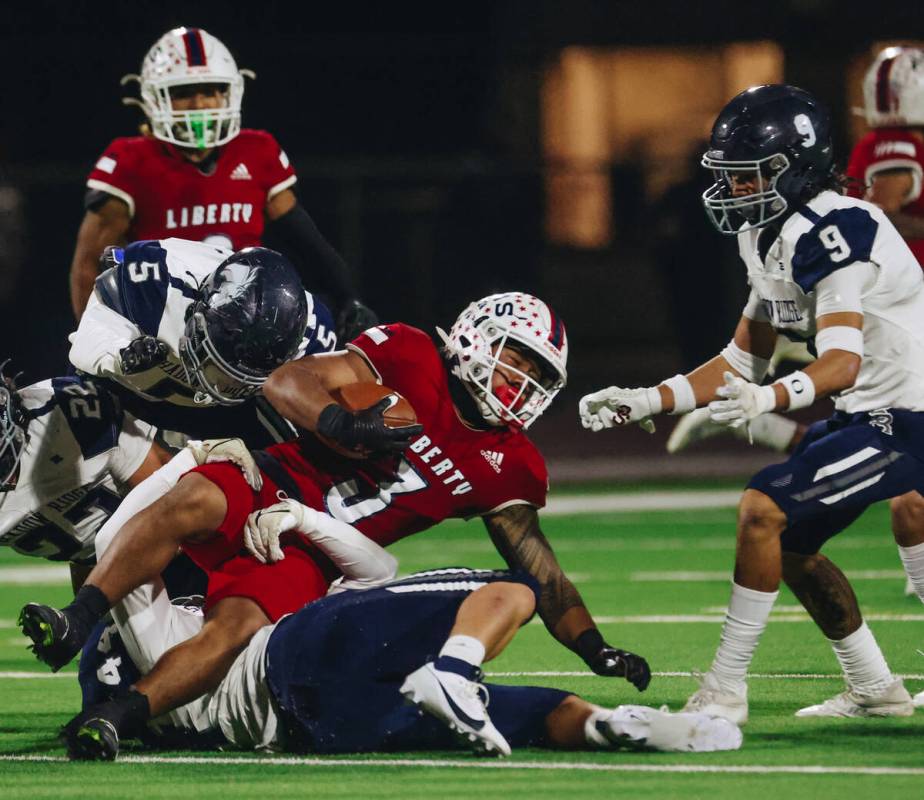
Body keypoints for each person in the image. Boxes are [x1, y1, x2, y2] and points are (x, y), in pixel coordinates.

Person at [21, 291, 651, 736]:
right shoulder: (409, 353)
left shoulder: (510, 462)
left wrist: (595, 648)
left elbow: (539, 567)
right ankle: (78, 617)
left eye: (538, 373)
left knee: (236, 627)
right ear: (478, 336)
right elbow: (286, 381)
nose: (521, 380)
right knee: (191, 500)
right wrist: (340, 422)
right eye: (517, 357)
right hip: (282, 479)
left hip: (322, 549)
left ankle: (119, 717)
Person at [579, 85, 924, 722]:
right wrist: (646, 401)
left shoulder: (838, 226)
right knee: (786, 543)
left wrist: (768, 398)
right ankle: (875, 685)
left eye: (748, 176)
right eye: (730, 177)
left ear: (794, 168)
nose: (734, 190)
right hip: (869, 415)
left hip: (910, 421)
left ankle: (725, 687)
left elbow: (841, 361)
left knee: (763, 510)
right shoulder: (769, 233)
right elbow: (741, 358)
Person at [73, 553, 741, 760]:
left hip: (320, 730)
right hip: (297, 655)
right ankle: (453, 672)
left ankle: (616, 724)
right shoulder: (155, 630)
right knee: (510, 585)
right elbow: (373, 566)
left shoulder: (134, 692)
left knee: (536, 715)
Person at [69, 26, 375, 340]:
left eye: (210, 90)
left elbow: (308, 244)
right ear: (153, 98)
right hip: (164, 328)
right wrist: (96, 339)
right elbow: (89, 267)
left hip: (248, 323)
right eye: (184, 93)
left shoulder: (257, 151)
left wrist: (347, 297)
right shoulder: (130, 160)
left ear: (230, 91)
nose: (200, 104)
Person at [0, 363, 256, 592]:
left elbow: (174, 502)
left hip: (184, 546)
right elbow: (86, 550)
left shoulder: (66, 416)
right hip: (107, 567)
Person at [69, 238, 334, 446]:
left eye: (239, 378)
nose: (227, 384)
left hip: (218, 415)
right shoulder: (159, 282)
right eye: (220, 365)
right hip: (133, 394)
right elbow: (87, 335)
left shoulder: (312, 336)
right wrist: (119, 354)